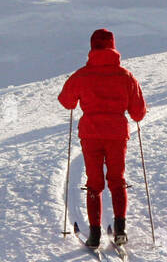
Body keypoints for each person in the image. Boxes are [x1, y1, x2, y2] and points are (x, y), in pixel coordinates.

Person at [57, 29, 148, 248]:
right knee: (117, 180)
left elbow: (66, 101)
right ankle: (120, 229)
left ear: (92, 48)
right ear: (113, 47)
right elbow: (138, 113)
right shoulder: (125, 76)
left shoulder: (82, 75)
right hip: (117, 134)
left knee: (95, 184)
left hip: (91, 134)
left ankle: (95, 233)